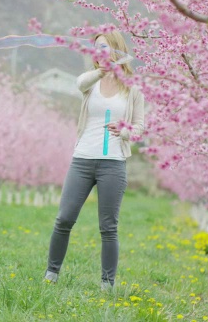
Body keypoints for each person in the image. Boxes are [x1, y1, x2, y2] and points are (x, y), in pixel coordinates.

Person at [44, 31, 145, 289]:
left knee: (108, 227)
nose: (100, 52)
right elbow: (80, 83)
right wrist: (102, 70)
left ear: (118, 50)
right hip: (82, 160)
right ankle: (51, 274)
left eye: (106, 47)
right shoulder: (91, 81)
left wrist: (123, 131)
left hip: (113, 162)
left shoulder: (133, 86)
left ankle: (107, 283)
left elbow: (139, 127)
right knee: (64, 218)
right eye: (97, 48)